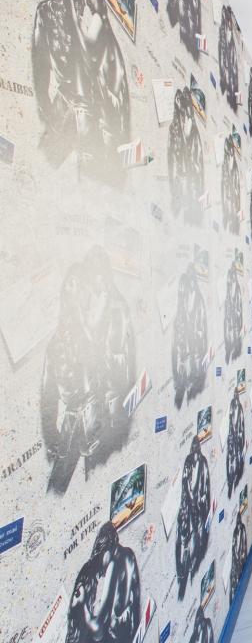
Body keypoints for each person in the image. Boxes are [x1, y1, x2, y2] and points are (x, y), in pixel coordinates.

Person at [41, 249, 135, 493]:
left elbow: (118, 371)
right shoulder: (58, 342)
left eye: (82, 286)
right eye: (71, 287)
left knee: (95, 477)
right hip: (77, 426)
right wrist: (51, 436)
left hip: (98, 423)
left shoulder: (107, 319)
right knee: (60, 487)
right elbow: (48, 393)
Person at [32, 0, 130, 179]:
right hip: (71, 103)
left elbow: (82, 57)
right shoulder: (56, 13)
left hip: (86, 110)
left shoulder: (96, 22)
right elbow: (41, 64)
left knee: (69, 174)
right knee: (47, 168)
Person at [66, 522, 141, 643]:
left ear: (105, 549)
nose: (101, 571)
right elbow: (136, 606)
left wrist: (82, 604)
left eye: (100, 559)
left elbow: (98, 629)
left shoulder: (113, 563)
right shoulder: (129, 554)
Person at [175, 437, 210, 599]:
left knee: (197, 530)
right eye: (193, 449)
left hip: (199, 503)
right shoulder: (189, 462)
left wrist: (202, 500)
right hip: (188, 503)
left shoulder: (203, 462)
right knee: (183, 532)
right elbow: (185, 483)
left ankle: (193, 560)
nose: (195, 452)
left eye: (196, 449)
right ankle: (183, 569)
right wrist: (190, 500)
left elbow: (206, 483)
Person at [168, 87, 205, 223]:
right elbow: (172, 161)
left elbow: (199, 164)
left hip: (191, 188)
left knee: (190, 220)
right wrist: (175, 191)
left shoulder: (194, 133)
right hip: (181, 187)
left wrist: (197, 191)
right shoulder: (174, 129)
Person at [173, 264, 208, 408]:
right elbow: (181, 314)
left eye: (193, 278)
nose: (192, 281)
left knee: (194, 363)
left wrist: (199, 333)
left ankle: (191, 388)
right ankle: (184, 385)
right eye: (190, 278)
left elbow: (202, 320)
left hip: (195, 338)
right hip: (185, 337)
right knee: (184, 360)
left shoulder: (198, 298)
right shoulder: (184, 294)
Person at [218, 5, 241, 110]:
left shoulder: (232, 46)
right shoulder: (222, 38)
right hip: (225, 83)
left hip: (229, 86)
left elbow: (234, 70)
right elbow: (221, 59)